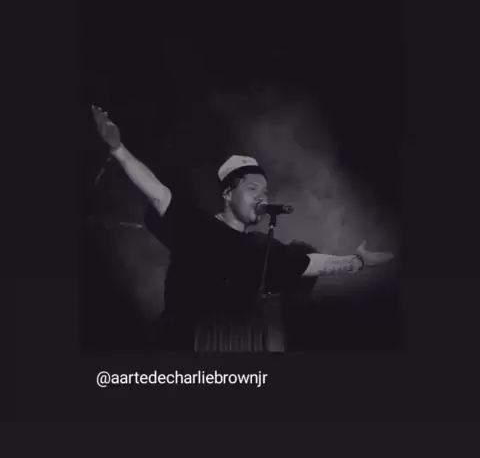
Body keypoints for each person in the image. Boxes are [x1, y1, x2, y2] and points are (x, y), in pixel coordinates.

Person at [91, 105, 394, 351]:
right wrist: (118, 149)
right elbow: (157, 192)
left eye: (265, 192)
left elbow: (310, 263)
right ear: (227, 193)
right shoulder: (198, 227)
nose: (262, 198)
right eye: (252, 189)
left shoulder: (262, 249)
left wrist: (358, 262)